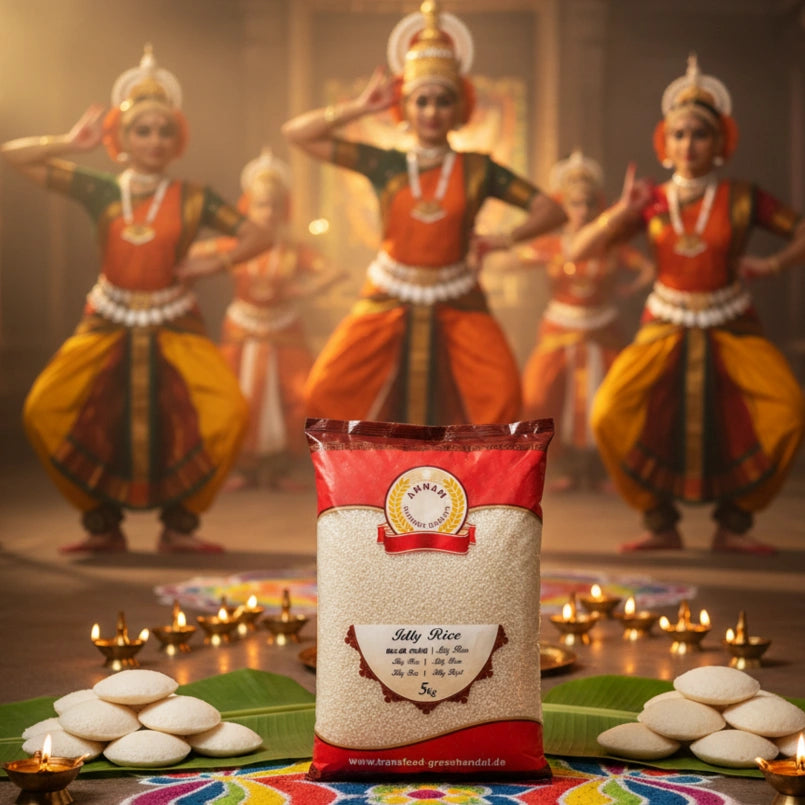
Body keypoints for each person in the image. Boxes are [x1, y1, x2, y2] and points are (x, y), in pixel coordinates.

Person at [1, 45, 271, 554]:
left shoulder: (193, 197)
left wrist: (215, 263)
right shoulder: (101, 189)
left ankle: (180, 523)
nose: (154, 140)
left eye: (164, 130)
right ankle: (101, 523)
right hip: (108, 319)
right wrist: (70, 142)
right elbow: (12, 156)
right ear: (120, 138)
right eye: (141, 130)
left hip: (175, 320)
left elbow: (259, 235)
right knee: (45, 408)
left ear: (178, 139)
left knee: (227, 412)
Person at [282, 0, 566, 426]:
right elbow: (297, 135)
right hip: (389, 293)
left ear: (459, 108)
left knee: (503, 397)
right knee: (325, 390)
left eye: (442, 101)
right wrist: (359, 108)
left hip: (459, 296)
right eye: (422, 101)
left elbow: (550, 211)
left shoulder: (477, 168)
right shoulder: (386, 165)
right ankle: (369, 484)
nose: (432, 111)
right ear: (406, 108)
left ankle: (477, 487)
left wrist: (504, 240)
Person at [570, 55, 805, 554]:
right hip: (665, 322)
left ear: (720, 143)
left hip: (732, 321)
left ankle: (734, 524)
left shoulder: (744, 197)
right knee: (610, 412)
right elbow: (576, 251)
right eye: (678, 134)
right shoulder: (650, 200)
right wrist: (618, 213)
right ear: (664, 142)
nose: (688, 144)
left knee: (787, 411)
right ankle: (660, 523)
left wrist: (776, 265)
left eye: (699, 134)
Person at [192, 148, 343, 491]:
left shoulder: (293, 249)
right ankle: (242, 468)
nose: (268, 212)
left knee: (297, 395)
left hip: (284, 328)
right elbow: (193, 254)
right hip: (242, 329)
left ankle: (280, 467)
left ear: (283, 208)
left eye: (275, 205)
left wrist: (304, 290)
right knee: (238, 396)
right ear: (248, 207)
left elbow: (334, 272)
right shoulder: (235, 243)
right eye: (261, 205)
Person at [517, 151, 653, 492]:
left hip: (602, 328)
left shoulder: (611, 244)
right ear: (563, 206)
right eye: (574, 203)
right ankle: (562, 467)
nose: (582, 211)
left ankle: (606, 468)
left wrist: (631, 287)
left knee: (609, 396)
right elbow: (514, 257)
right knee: (542, 392)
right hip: (559, 327)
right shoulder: (551, 244)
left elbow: (648, 268)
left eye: (589, 204)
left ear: (599, 206)